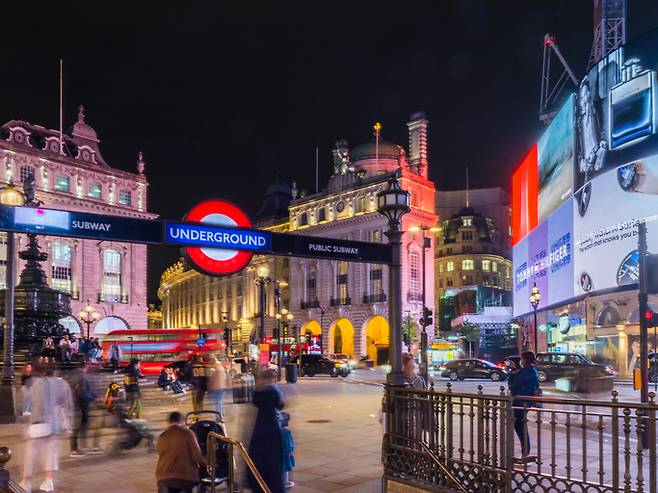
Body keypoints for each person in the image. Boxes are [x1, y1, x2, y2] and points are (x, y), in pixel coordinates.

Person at [20, 361, 73, 493]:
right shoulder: (62, 384)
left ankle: (26, 481)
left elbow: (29, 400)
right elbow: (66, 405)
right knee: (51, 452)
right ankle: (48, 481)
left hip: (37, 421)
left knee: (31, 452)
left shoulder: (35, 383)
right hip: (53, 422)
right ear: (56, 371)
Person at [247, 370, 284, 493]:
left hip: (259, 425)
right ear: (271, 379)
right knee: (273, 456)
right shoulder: (273, 391)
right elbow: (279, 405)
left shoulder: (258, 391)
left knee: (258, 455)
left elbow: (255, 403)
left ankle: (257, 483)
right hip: (271, 425)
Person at [155, 411, 206, 493]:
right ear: (182, 421)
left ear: (169, 422)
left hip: (163, 477)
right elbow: (197, 456)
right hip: (185, 477)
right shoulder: (188, 433)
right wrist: (206, 464)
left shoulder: (162, 436)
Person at [507, 350, 541, 458]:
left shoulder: (526, 371)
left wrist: (511, 372)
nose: (520, 361)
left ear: (525, 360)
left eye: (521, 359)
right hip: (526, 402)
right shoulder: (532, 370)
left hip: (520, 402)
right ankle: (525, 451)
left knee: (520, 426)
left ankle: (525, 451)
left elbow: (512, 385)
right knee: (520, 425)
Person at [70, 363, 102, 457]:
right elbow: (83, 392)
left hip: (81, 405)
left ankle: (79, 448)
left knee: (81, 427)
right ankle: (74, 450)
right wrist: (94, 398)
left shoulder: (83, 377)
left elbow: (88, 391)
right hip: (80, 405)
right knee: (79, 427)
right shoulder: (82, 377)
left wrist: (96, 396)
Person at [280, 412, 295, 489]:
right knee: (285, 468)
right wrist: (291, 450)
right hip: (285, 454)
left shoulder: (278, 431)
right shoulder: (286, 432)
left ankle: (281, 481)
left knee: (281, 467)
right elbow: (289, 443)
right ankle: (284, 482)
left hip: (279, 453)